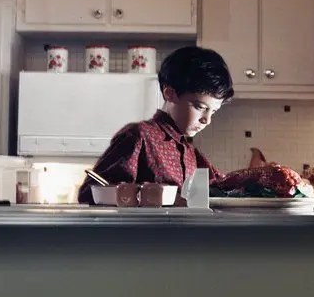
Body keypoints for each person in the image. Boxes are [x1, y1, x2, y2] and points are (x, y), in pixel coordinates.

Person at [77, 46, 234, 204]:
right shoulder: (139, 136)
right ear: (170, 94)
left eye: (213, 111)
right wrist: (140, 194)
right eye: (200, 107)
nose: (207, 120)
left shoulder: (190, 151)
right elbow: (89, 193)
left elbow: (226, 185)